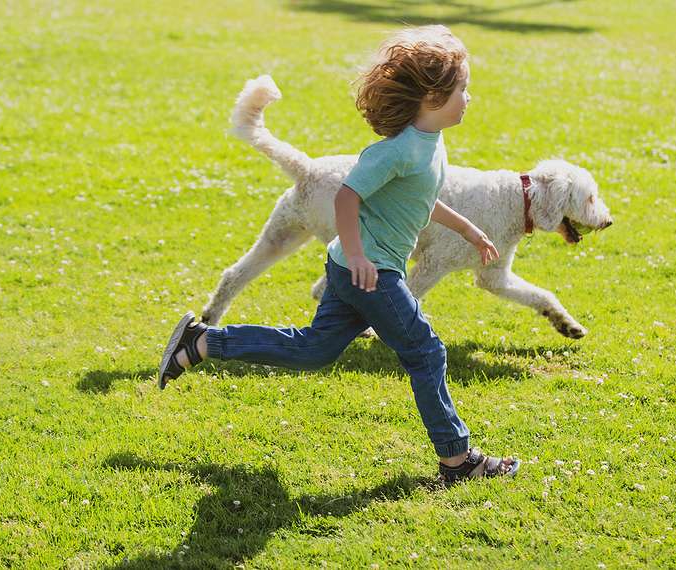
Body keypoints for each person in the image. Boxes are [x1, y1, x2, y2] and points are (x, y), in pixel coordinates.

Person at [158, 25, 520, 483]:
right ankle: (458, 460)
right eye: (462, 89)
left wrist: (468, 229)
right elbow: (347, 196)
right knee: (426, 352)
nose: (468, 98)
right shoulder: (397, 151)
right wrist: (359, 255)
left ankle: (201, 342)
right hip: (370, 272)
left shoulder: (429, 143)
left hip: (354, 269)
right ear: (432, 97)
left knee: (314, 349)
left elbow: (420, 197)